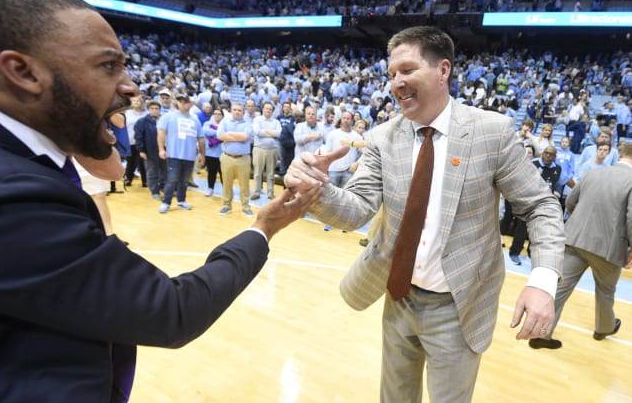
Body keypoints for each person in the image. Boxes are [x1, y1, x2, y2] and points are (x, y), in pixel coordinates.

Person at [0, 0, 320, 402]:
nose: (131, 87)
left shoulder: (5, 161)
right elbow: (171, 311)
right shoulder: (0, 195)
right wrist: (263, 227)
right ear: (23, 72)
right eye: (108, 66)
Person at [284, 26, 565, 402]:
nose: (396, 83)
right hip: (398, 296)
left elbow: (540, 205)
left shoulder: (491, 133)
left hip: (458, 306)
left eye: (407, 70)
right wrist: (316, 189)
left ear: (443, 70)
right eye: (391, 75)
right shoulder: (383, 137)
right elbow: (356, 210)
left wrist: (543, 282)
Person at [529, 142, 632, 349]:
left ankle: (541, 334)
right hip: (609, 247)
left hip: (575, 239)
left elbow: (570, 202)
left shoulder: (593, 174)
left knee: (559, 289)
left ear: (619, 155)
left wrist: (579, 224)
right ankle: (603, 328)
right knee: (605, 291)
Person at [156, 94, 205, 213]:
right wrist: (161, 149)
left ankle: (181, 200)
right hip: (173, 155)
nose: (183, 104)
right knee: (172, 180)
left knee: (184, 180)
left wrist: (203, 155)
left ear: (191, 104)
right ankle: (166, 202)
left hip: (189, 156)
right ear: (177, 103)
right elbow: (161, 134)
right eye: (181, 102)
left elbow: (201, 139)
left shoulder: (195, 120)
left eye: (186, 101)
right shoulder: (169, 117)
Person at [217, 102, 254, 216]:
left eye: (239, 110)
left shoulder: (248, 124)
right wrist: (237, 136)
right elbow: (220, 136)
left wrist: (229, 134)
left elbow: (245, 137)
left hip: (243, 159)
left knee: (244, 184)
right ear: (231, 111)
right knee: (226, 183)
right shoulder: (224, 122)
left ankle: (246, 206)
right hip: (227, 157)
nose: (237, 112)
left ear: (243, 112)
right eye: (235, 110)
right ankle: (227, 205)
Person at [135, 100, 166, 200]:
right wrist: (141, 150)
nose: (155, 110)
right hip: (150, 150)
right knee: (152, 172)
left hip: (164, 150)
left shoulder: (164, 120)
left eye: (157, 108)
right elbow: (138, 137)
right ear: (148, 110)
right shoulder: (142, 122)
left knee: (164, 171)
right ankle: (154, 191)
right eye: (152, 108)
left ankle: (164, 188)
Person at [250, 101, 281, 200]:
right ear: (263, 109)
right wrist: (272, 133)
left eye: (270, 109)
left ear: (272, 111)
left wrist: (265, 132)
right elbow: (257, 132)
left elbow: (279, 134)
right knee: (257, 172)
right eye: (266, 108)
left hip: (272, 150)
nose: (268, 110)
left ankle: (270, 193)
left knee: (271, 173)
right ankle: (257, 192)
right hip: (259, 149)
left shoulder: (276, 122)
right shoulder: (257, 120)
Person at [202, 107, 224, 197]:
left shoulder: (225, 124)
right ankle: (210, 188)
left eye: (219, 114)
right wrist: (219, 132)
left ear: (222, 116)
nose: (217, 116)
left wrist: (215, 131)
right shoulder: (207, 123)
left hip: (222, 153)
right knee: (211, 172)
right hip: (210, 153)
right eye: (215, 114)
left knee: (223, 173)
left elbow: (226, 133)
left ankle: (225, 189)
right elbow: (206, 132)